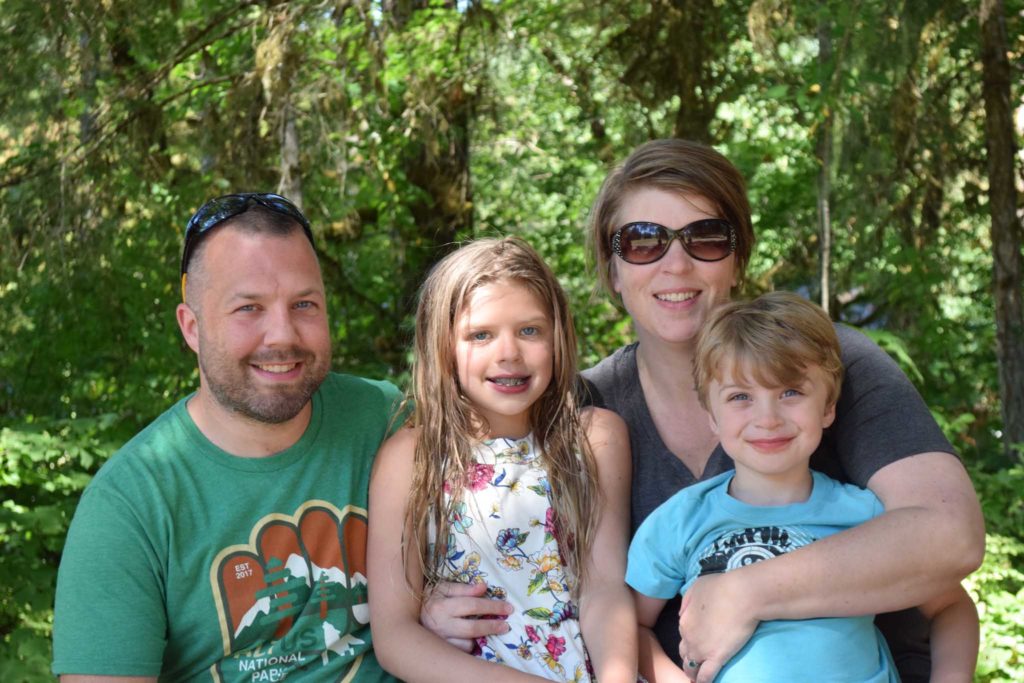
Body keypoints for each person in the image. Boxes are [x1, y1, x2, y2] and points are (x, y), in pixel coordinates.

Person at [419, 140, 985, 683]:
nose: (676, 264)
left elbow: (950, 536)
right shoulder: (577, 418)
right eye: (643, 241)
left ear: (737, 257)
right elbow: (515, 547)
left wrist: (748, 589)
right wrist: (444, 605)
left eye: (706, 237)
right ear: (612, 270)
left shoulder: (822, 361)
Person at [52, 193, 406, 682]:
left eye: (304, 304)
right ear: (192, 328)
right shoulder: (130, 505)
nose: (282, 335)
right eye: (248, 308)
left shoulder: (384, 420)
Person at [626, 291, 978, 682]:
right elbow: (631, 626)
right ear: (712, 415)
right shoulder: (680, 520)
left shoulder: (868, 515)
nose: (768, 418)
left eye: (790, 392)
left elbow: (951, 606)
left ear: (828, 407)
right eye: (740, 396)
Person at [366, 237, 636, 683]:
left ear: (557, 336)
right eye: (481, 335)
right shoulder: (413, 458)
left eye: (529, 330)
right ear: (444, 347)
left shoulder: (594, 438)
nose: (508, 353)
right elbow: (395, 636)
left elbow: (604, 588)